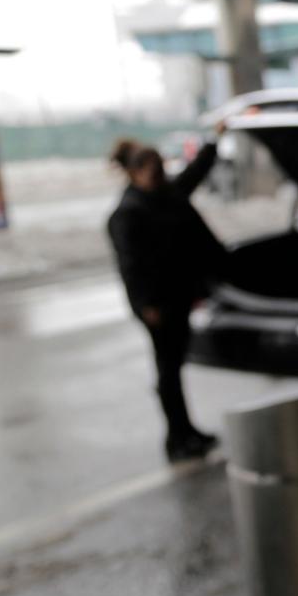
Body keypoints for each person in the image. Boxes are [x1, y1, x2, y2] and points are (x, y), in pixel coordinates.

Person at [107, 123, 228, 462]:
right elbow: (130, 267)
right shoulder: (128, 213)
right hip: (157, 305)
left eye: (161, 169)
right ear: (133, 173)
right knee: (168, 370)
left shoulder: (165, 196)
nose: (159, 175)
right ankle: (177, 437)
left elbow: (196, 172)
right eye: (152, 170)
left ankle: (186, 431)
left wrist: (214, 140)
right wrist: (147, 305)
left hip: (178, 296)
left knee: (173, 365)